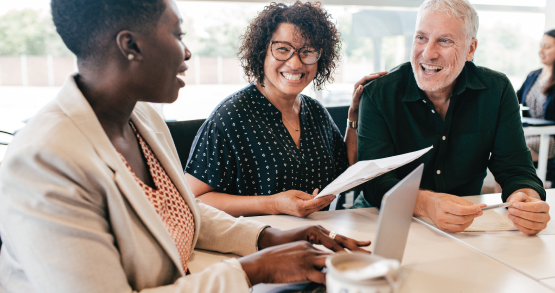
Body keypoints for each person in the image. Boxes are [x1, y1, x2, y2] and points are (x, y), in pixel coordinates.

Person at [0, 0, 372, 292]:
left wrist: (268, 237)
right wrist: (254, 269)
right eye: (177, 35)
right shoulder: (44, 160)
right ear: (131, 45)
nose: (188, 52)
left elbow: (181, 208)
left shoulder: (142, 118)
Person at [356, 0, 551, 235]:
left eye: (444, 40)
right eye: (421, 38)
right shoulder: (379, 93)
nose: (428, 53)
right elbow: (374, 181)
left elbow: (516, 169)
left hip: (463, 225)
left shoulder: (496, 90)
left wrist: (525, 198)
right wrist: (428, 204)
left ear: (470, 49)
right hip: (381, 218)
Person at [184, 1, 385, 218]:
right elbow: (194, 199)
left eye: (307, 52)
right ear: (262, 52)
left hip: (315, 237)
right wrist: (273, 204)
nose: (296, 63)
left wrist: (354, 115)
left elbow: (347, 168)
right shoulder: (230, 117)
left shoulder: (315, 112)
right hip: (257, 244)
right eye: (283, 49)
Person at [517, 29, 555, 162]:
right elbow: (513, 100)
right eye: (541, 46)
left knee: (515, 153)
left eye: (547, 47)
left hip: (551, 137)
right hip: (530, 133)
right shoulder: (533, 75)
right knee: (501, 149)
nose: (541, 52)